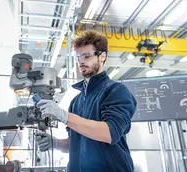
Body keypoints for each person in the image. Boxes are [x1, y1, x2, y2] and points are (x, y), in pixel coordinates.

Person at [35, 30, 137, 172]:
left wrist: (65, 116)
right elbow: (76, 142)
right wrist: (56, 143)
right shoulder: (76, 101)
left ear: (102, 57)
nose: (81, 61)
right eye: (78, 57)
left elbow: (110, 133)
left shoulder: (116, 91)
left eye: (87, 56)